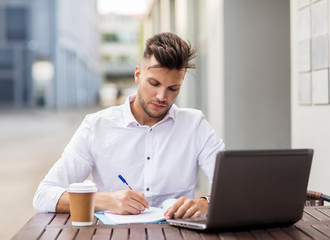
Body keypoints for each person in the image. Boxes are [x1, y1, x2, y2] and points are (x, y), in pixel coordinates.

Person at [33, 32, 225, 219]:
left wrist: (206, 203)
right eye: (154, 83)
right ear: (138, 75)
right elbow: (43, 196)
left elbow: (233, 189)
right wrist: (104, 200)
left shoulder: (195, 125)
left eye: (173, 88)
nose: (162, 96)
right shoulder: (96, 126)